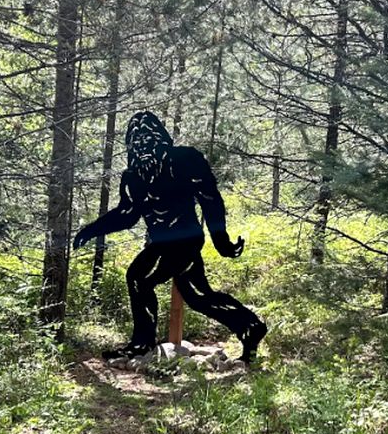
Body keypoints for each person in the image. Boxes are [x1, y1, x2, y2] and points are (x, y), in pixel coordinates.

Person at [73, 111, 268, 361]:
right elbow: (127, 213)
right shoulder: (133, 177)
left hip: (185, 238)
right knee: (198, 296)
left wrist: (221, 240)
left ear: (161, 140)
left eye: (148, 139)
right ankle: (250, 327)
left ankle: (142, 344)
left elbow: (210, 198)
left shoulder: (186, 160)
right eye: (137, 141)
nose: (143, 146)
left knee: (139, 278)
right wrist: (92, 230)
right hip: (161, 242)